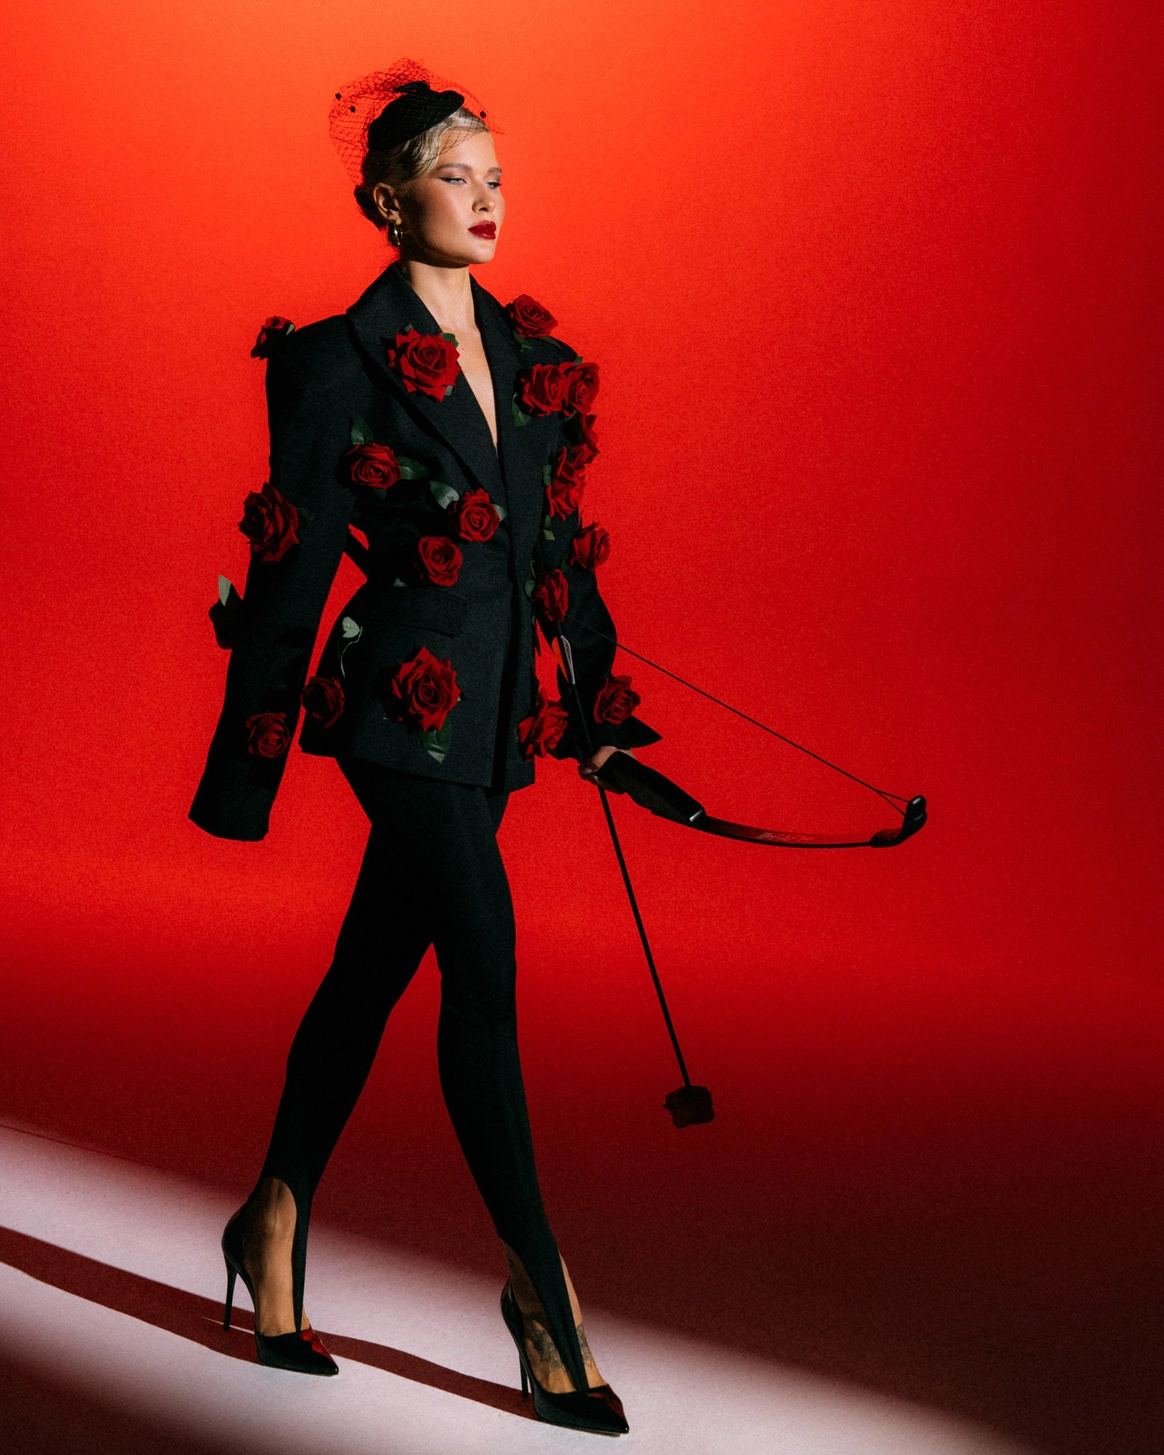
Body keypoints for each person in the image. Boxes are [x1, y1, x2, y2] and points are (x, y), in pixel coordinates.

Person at [190, 62, 660, 1437]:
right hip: (395, 709)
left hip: (494, 717)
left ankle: (272, 1218)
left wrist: (594, 702)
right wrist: (247, 769)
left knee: (369, 973)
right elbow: (292, 567)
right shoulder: (335, 358)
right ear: (388, 203)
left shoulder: (531, 357)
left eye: (497, 177)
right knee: (483, 962)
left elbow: (555, 552)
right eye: (458, 177)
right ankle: (543, 1293)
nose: (488, 199)